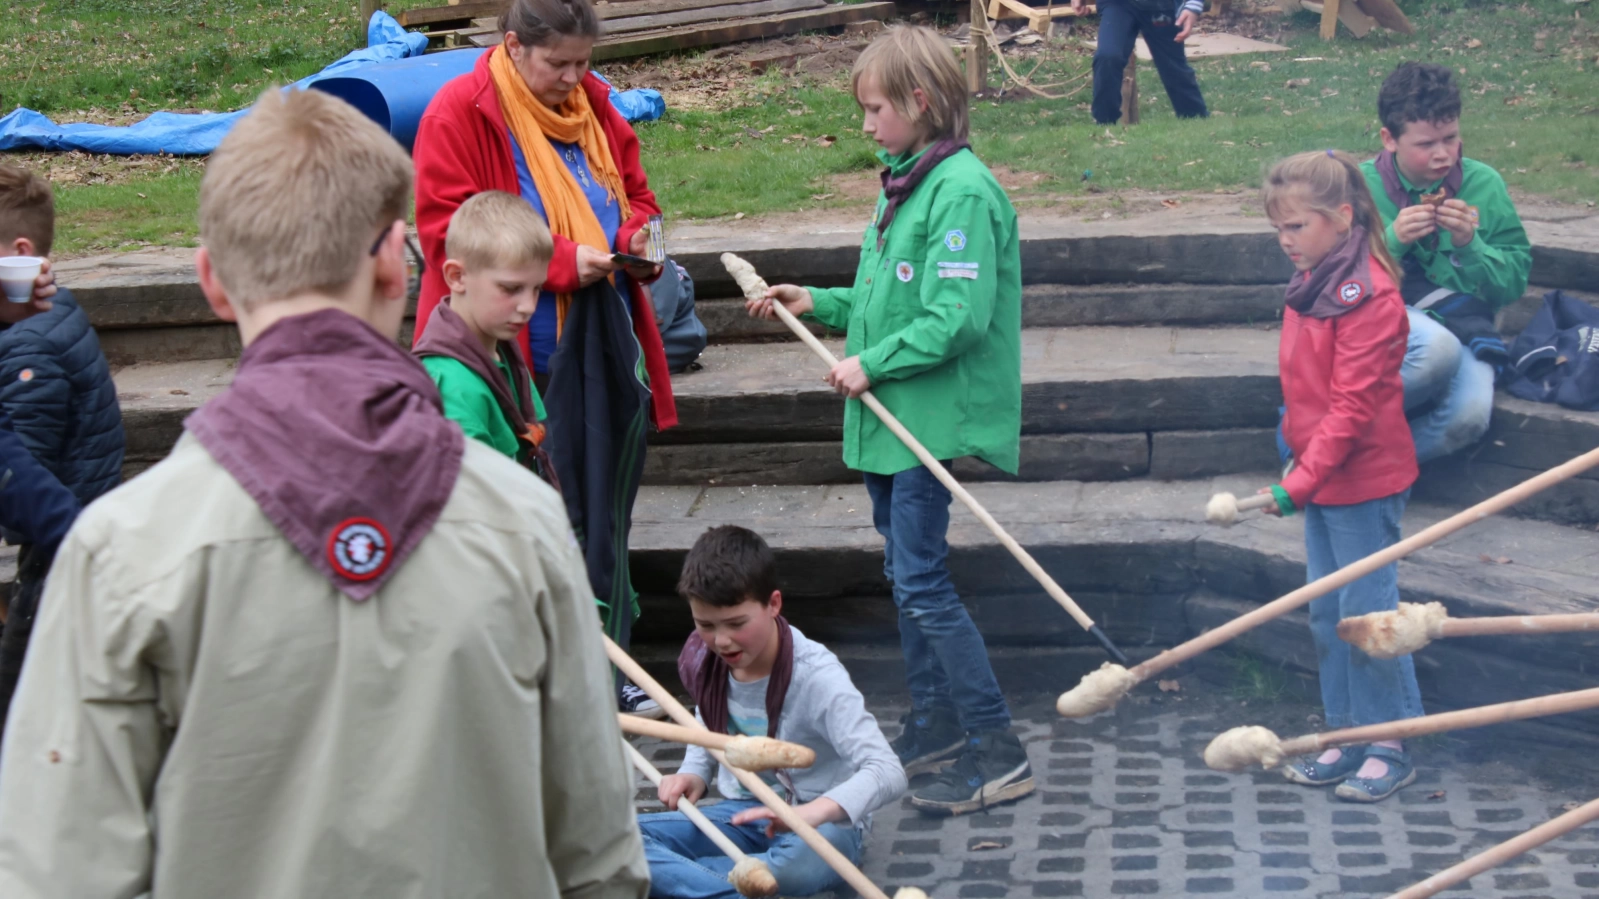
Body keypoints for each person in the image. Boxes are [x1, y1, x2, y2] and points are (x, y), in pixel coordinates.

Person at [0, 89, 649, 897]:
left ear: (212, 281)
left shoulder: (122, 549)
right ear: (392, 260)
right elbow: (600, 858)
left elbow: (60, 871)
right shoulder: (520, 520)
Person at [748, 25, 1032, 816]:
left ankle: (996, 748)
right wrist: (821, 302)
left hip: (925, 423)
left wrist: (871, 363)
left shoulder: (963, 191)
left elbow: (957, 316)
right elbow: (885, 301)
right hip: (890, 418)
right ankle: (936, 719)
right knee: (908, 583)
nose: (866, 125)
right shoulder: (904, 177)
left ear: (920, 101)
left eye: (874, 109)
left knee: (921, 584)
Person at [413, 0, 677, 715]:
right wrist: (560, 262)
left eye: (583, 62)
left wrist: (635, 241)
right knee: (547, 510)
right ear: (513, 47)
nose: (572, 77)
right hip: (520, 350)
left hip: (602, 331)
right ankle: (555, 668)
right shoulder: (455, 113)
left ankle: (608, 654)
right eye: (556, 62)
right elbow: (449, 237)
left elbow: (639, 198)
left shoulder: (594, 104)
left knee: (604, 505)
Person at [1262, 150, 1423, 803]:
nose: (1284, 240)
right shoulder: (1310, 284)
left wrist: (1299, 480)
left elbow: (1352, 407)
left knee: (1367, 614)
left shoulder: (1369, 296)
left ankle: (1390, 740)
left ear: (1342, 218)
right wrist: (1295, 455)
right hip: (1320, 472)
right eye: (1277, 228)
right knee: (1327, 611)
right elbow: (1302, 391)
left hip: (1364, 478)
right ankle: (1346, 729)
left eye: (1296, 226)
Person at [645, 525, 906, 898]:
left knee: (794, 868)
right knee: (626, 838)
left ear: (774, 604)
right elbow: (703, 720)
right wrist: (694, 772)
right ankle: (730, 887)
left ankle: (684, 883)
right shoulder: (705, 659)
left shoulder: (816, 675)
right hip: (739, 815)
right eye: (705, 625)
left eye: (736, 624)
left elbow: (887, 770)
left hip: (818, 826)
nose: (721, 641)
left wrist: (809, 814)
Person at [0, 163, 124, 735]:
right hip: (72, 540)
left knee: (21, 723)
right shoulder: (47, 316)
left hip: (58, 562)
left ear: (20, 254)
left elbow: (22, 472)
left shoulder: (30, 346)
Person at [1360, 62, 1531, 463]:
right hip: (1384, 319)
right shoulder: (1360, 186)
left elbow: (1513, 284)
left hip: (1467, 322)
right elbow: (1337, 280)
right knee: (1437, 351)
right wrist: (1392, 241)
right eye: (1426, 144)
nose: (1442, 154)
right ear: (1389, 139)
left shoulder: (1483, 184)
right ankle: (1321, 434)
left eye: (1450, 138)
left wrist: (1472, 246)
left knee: (1469, 418)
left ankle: (1366, 467)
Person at [413, 190, 561, 489]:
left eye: (536, 289)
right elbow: (472, 502)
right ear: (456, 276)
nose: (528, 306)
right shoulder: (450, 387)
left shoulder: (501, 349)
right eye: (510, 288)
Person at [1075, 0, 1208, 125]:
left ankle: (1196, 120)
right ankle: (1104, 125)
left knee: (1174, 68)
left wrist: (1193, 6)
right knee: (1108, 57)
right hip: (1118, 5)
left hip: (1162, 6)